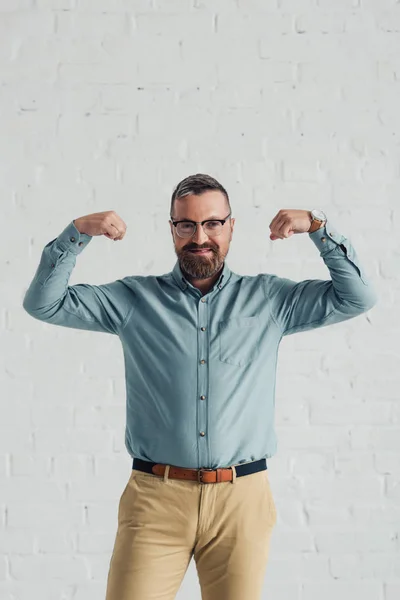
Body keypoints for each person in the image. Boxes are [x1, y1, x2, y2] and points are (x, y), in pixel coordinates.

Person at [22, 173, 378, 600]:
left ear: (231, 226)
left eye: (212, 223)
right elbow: (44, 303)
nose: (200, 236)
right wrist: (76, 234)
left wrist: (320, 227)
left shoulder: (269, 300)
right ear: (172, 228)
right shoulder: (134, 300)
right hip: (155, 501)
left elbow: (356, 297)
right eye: (186, 225)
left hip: (241, 502)